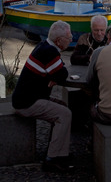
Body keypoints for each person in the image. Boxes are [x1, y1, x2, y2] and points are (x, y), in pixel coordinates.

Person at [12, 20, 74, 173]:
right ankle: (52, 159)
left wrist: (54, 75)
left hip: (29, 98)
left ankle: (59, 151)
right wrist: (55, 75)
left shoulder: (43, 46)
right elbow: (62, 74)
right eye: (69, 37)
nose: (71, 39)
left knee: (62, 107)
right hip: (27, 103)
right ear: (59, 41)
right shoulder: (50, 52)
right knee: (64, 114)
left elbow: (58, 72)